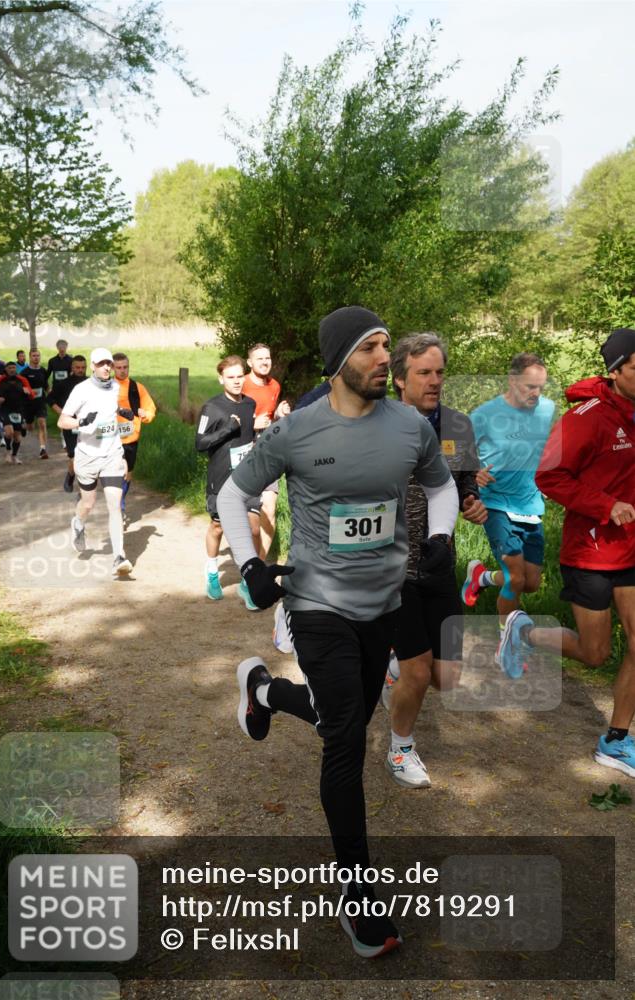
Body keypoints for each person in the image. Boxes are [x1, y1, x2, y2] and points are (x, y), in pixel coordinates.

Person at [217, 306, 458, 958]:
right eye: (371, 348)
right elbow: (230, 496)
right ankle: (358, 895)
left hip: (380, 602)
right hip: (316, 603)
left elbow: (440, 490)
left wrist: (439, 537)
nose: (385, 358)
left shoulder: (409, 426)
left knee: (333, 716)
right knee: (346, 734)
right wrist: (248, 565)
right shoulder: (297, 431)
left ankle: (264, 693)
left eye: (387, 346)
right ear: (338, 361)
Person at [500, 329, 635, 777]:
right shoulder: (586, 417)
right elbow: (550, 475)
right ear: (616, 372)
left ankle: (616, 740)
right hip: (592, 553)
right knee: (595, 653)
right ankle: (524, 634)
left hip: (633, 550)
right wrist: (605, 505)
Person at [383, 334, 487, 787]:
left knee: (446, 677)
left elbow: (466, 483)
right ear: (400, 378)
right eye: (424, 372)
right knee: (419, 671)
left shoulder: (458, 426)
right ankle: (400, 748)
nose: (435, 381)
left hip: (441, 561)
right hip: (393, 569)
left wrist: (472, 502)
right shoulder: (378, 425)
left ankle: (394, 667)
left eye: (440, 372)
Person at [462, 353, 555, 664]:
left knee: (530, 582)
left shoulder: (547, 410)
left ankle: (482, 578)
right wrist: (472, 472)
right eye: (530, 386)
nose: (536, 394)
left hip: (530, 503)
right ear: (513, 381)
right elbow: (456, 451)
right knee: (515, 578)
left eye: (540, 387)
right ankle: (508, 643)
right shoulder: (485, 414)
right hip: (496, 503)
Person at [58, 348, 133, 578]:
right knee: (88, 503)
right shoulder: (81, 390)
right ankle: (78, 524)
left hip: (111, 454)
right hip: (88, 456)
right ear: (92, 366)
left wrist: (122, 412)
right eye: (101, 364)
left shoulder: (115, 387)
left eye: (109, 363)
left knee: (114, 504)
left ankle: (119, 556)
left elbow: (109, 411)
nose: (106, 368)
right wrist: (81, 421)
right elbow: (63, 420)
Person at [195, 356, 262, 606]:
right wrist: (226, 431)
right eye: (231, 377)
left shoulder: (250, 404)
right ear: (221, 379)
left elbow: (249, 435)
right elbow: (199, 443)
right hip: (221, 479)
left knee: (253, 528)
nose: (236, 382)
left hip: (247, 477)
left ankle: (248, 582)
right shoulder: (212, 408)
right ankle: (212, 571)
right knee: (218, 528)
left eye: (239, 377)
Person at [242, 343, 291, 557]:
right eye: (259, 359)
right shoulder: (240, 383)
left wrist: (279, 415)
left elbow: (269, 419)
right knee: (249, 514)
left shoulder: (274, 386)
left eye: (267, 358)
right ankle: (246, 553)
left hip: (268, 451)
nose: (264, 362)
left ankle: (259, 564)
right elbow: (226, 418)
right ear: (250, 362)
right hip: (243, 451)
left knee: (269, 508)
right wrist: (251, 424)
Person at [112, 352, 157, 515]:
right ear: (112, 368)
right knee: (116, 472)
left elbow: (150, 407)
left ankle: (120, 500)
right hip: (111, 438)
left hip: (130, 436)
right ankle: (119, 506)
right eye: (119, 368)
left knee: (127, 473)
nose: (122, 371)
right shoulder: (106, 387)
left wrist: (146, 415)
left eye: (125, 367)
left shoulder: (137, 387)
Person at [48, 354, 87, 492]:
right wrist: (62, 413)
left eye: (83, 367)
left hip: (89, 425)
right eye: (77, 367)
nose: (80, 370)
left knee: (89, 457)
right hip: (70, 424)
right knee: (75, 457)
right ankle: (70, 476)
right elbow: (50, 399)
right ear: (72, 367)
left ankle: (85, 488)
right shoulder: (63, 383)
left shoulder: (91, 383)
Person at [0, 361, 33, 463]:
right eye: (10, 368)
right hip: (5, 409)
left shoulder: (22, 380)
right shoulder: (0, 380)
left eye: (13, 368)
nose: (12, 370)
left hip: (18, 410)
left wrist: (29, 392)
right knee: (9, 432)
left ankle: (14, 456)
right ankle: (8, 450)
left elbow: (32, 395)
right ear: (6, 369)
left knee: (17, 437)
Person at [21, 348, 50, 459]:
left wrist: (50, 394)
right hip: (28, 404)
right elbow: (19, 387)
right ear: (30, 357)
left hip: (40, 402)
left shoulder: (43, 370)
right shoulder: (24, 372)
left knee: (42, 423)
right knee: (30, 427)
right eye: (34, 356)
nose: (36, 357)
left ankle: (43, 449)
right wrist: (25, 390)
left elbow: (46, 386)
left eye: (38, 355)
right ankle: (23, 426)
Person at [46, 339, 74, 450]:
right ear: (57, 348)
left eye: (64, 347)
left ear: (67, 347)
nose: (62, 349)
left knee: (69, 414)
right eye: (60, 347)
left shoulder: (71, 360)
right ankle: (64, 439)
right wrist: (47, 388)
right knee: (61, 414)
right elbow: (47, 374)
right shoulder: (52, 361)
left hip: (68, 390)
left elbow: (73, 373)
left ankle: (70, 436)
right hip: (57, 391)